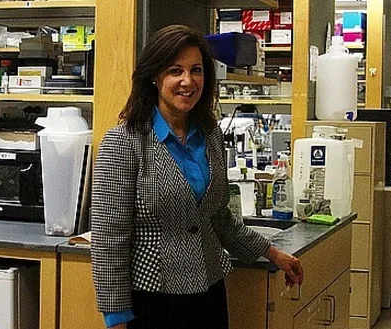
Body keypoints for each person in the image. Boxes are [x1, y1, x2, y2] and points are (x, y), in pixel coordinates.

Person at [90, 25, 304, 329]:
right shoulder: (124, 142)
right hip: (150, 298)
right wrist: (115, 316)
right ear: (154, 77)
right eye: (175, 71)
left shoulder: (210, 134)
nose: (187, 81)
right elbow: (109, 238)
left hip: (209, 293)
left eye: (196, 70)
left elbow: (219, 218)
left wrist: (273, 254)